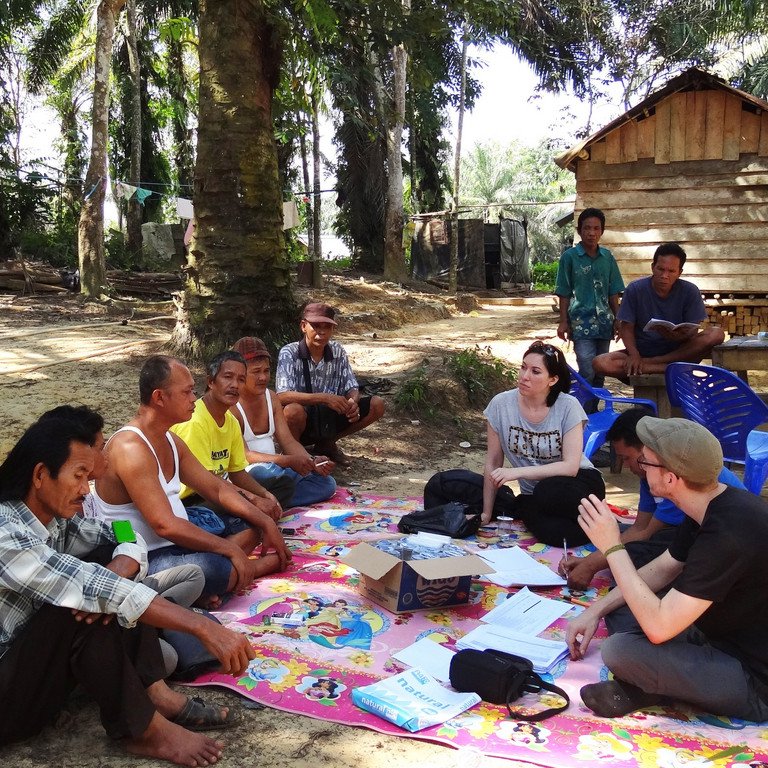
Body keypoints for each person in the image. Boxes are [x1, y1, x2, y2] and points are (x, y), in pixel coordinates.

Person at [0, 416, 255, 764]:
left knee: (101, 578)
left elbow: (121, 529)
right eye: (78, 476)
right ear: (40, 475)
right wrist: (202, 626)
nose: (86, 490)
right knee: (83, 601)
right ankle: (145, 730)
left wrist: (124, 562)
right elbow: (95, 587)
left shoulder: (57, 519)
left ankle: (156, 693)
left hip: (32, 678)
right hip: (7, 698)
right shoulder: (6, 533)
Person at [567, 417, 768, 722]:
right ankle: (655, 684)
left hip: (754, 678)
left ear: (671, 478)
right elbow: (662, 569)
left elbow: (659, 629)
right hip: (716, 634)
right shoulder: (709, 503)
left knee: (619, 650)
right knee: (622, 602)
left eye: (645, 462)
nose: (640, 468)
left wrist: (612, 547)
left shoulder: (729, 534)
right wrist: (593, 611)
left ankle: (648, 688)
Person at [93, 354, 291, 608]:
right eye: (186, 393)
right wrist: (228, 549)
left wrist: (263, 519)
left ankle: (200, 590)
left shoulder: (170, 440)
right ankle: (250, 569)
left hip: (177, 541)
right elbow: (164, 525)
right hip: (139, 555)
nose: (193, 400)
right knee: (216, 567)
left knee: (250, 525)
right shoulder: (131, 447)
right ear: (159, 398)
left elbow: (216, 487)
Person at [38, 405, 206, 676]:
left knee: (194, 575)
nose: (106, 455)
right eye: (101, 447)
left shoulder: (81, 493)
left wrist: (124, 562)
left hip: (117, 587)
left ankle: (153, 622)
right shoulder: (56, 503)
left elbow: (124, 530)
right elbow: (83, 590)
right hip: (87, 608)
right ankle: (155, 625)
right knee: (167, 659)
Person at [423, 341, 605, 546]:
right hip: (533, 494)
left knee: (547, 492)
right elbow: (492, 462)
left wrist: (516, 473)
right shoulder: (501, 404)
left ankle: (599, 521)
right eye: (523, 367)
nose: (524, 376)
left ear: (552, 380)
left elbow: (570, 467)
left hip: (577, 484)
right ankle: (595, 527)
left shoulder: (568, 406)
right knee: (548, 530)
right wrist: (486, 512)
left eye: (535, 371)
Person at [559, 407, 746, 590]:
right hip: (688, 531)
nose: (625, 467)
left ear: (649, 452)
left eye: (627, 458)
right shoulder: (652, 475)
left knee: (634, 555)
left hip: (721, 542)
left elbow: (645, 532)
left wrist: (592, 564)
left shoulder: (677, 481)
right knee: (621, 536)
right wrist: (591, 561)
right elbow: (640, 527)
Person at [171, 350, 295, 512]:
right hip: (191, 499)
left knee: (283, 485)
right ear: (211, 382)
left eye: (241, 379)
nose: (235, 385)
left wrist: (264, 494)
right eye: (228, 377)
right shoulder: (195, 421)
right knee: (242, 507)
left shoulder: (230, 421)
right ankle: (250, 524)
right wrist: (252, 499)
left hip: (219, 488)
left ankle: (251, 522)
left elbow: (237, 472)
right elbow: (206, 482)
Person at [593, 242, 725, 381]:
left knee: (716, 333)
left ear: (680, 272)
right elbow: (626, 327)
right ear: (653, 267)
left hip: (680, 352)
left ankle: (651, 365)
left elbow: (692, 332)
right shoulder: (635, 289)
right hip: (643, 352)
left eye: (671, 271)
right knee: (600, 362)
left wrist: (675, 336)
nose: (664, 275)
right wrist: (634, 354)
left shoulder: (690, 291)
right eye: (660, 269)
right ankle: (668, 367)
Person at [275, 301, 385, 467]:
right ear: (304, 326)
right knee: (292, 410)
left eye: (327, 327)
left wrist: (352, 402)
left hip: (330, 416)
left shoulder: (337, 351)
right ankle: (294, 454)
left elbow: (351, 386)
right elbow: (282, 396)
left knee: (377, 404)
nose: (321, 332)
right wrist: (323, 398)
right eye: (316, 326)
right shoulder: (289, 352)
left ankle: (327, 444)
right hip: (303, 419)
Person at [231, 336, 336, 508]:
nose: (263, 377)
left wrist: (311, 461)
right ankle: (266, 498)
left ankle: (271, 501)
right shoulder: (232, 406)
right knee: (268, 474)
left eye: (266, 371)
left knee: (326, 483)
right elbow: (245, 456)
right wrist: (287, 461)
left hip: (277, 470)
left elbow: (287, 441)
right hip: (249, 473)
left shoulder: (271, 397)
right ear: (240, 374)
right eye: (256, 372)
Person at [555, 208, 624, 397]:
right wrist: (563, 321)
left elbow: (613, 292)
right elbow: (564, 292)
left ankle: (593, 411)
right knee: (586, 369)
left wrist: (618, 319)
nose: (591, 233)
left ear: (602, 231)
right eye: (587, 228)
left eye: (596, 228)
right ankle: (583, 411)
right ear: (579, 230)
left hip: (604, 324)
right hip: (580, 323)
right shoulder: (569, 257)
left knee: (601, 371)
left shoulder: (607, 258)